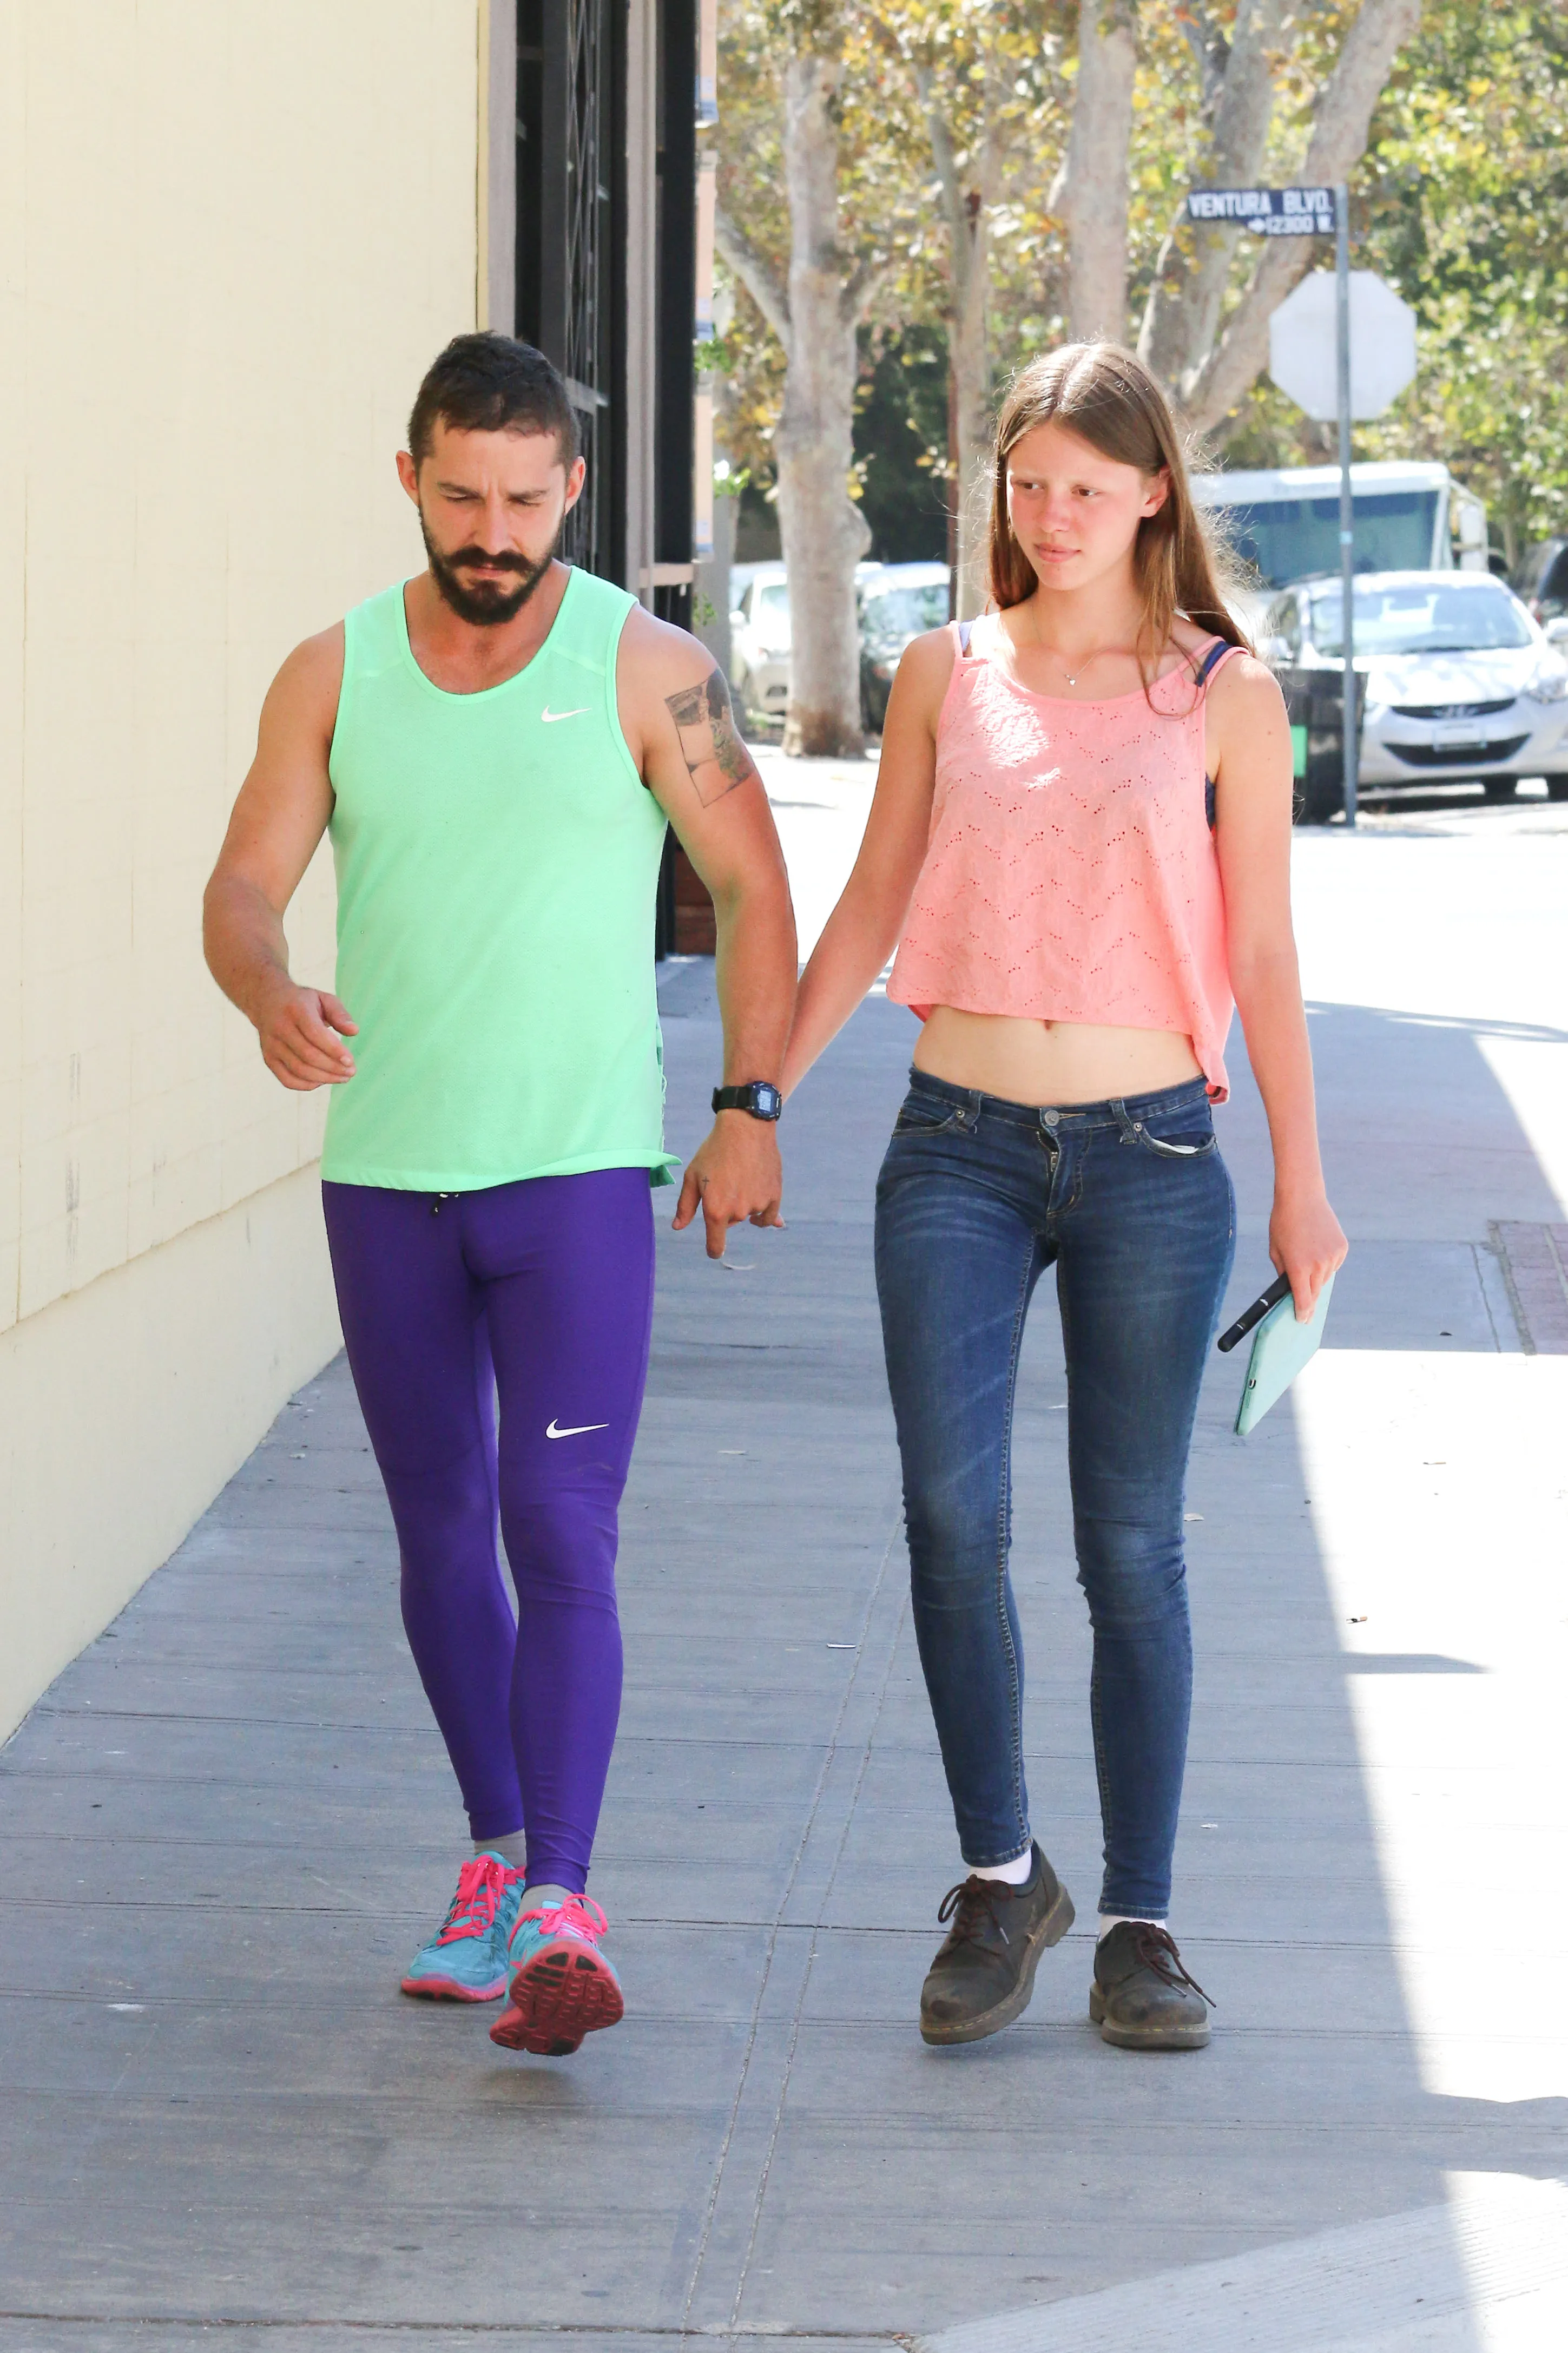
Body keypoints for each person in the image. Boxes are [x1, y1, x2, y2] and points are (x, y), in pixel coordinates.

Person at [204, 332, 796, 2058]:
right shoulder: (334, 672)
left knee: (561, 1529)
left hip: (578, 1181)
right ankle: (493, 1858)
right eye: (461, 494)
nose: (493, 528)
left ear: (572, 493)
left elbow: (754, 884)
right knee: (442, 1532)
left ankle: (567, 1896)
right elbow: (243, 884)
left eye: (526, 498)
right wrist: (265, 990)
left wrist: (748, 1102)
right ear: (410, 479)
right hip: (388, 1179)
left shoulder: (649, 665)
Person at [780, 343, 1346, 2053]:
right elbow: (876, 893)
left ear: (1155, 493)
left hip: (1156, 1161)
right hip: (952, 1142)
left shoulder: (1221, 693)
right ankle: (997, 1875)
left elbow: (1263, 950)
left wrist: (1303, 1191)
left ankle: (1145, 1925)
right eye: (1027, 484)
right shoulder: (943, 672)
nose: (1051, 514)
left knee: (1130, 1545)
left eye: (1086, 489)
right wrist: (757, 1095)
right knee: (953, 1524)